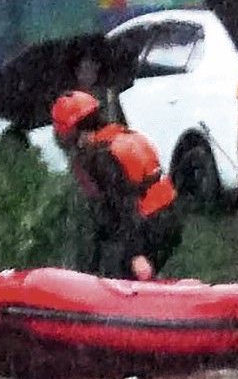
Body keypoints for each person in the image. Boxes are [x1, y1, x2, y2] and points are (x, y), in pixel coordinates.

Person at [50, 91, 182, 281]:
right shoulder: (123, 136)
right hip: (169, 217)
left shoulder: (102, 156)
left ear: (72, 132)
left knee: (117, 272)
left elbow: (123, 206)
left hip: (147, 225)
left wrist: (136, 254)